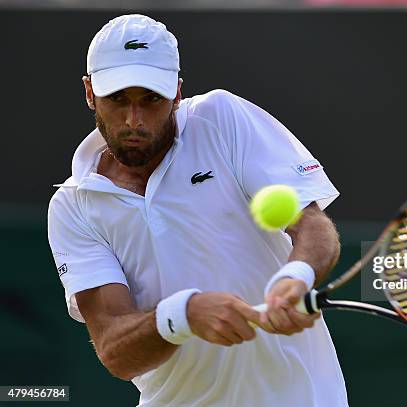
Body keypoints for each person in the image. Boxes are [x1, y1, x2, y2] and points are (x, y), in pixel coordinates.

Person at [47, 14, 348, 407]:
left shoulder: (222, 119)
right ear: (90, 93)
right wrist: (182, 315)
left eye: (151, 99)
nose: (134, 119)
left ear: (176, 91)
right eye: (118, 99)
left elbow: (314, 226)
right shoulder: (72, 207)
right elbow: (114, 351)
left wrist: (295, 275)